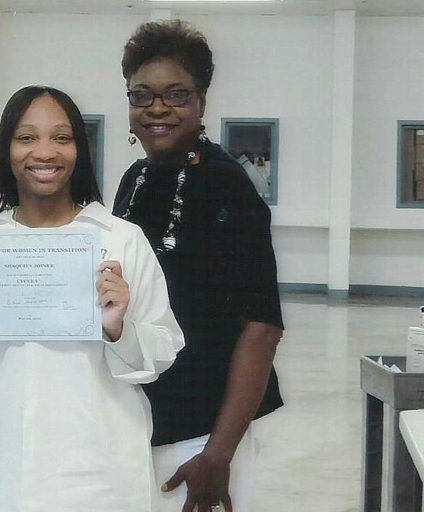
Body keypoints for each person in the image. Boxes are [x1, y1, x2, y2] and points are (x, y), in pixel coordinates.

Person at [0, 86, 185, 512]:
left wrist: (118, 328)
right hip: (3, 468)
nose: (44, 152)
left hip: (99, 472)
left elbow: (161, 354)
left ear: (79, 150)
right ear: (6, 150)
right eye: (27, 137)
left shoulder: (122, 241)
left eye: (61, 138)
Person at [114, 20, 285, 512]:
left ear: (202, 100)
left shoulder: (228, 187)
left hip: (204, 432)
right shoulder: (136, 178)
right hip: (145, 418)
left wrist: (218, 453)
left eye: (176, 95)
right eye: (142, 96)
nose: (157, 109)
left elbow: (262, 328)